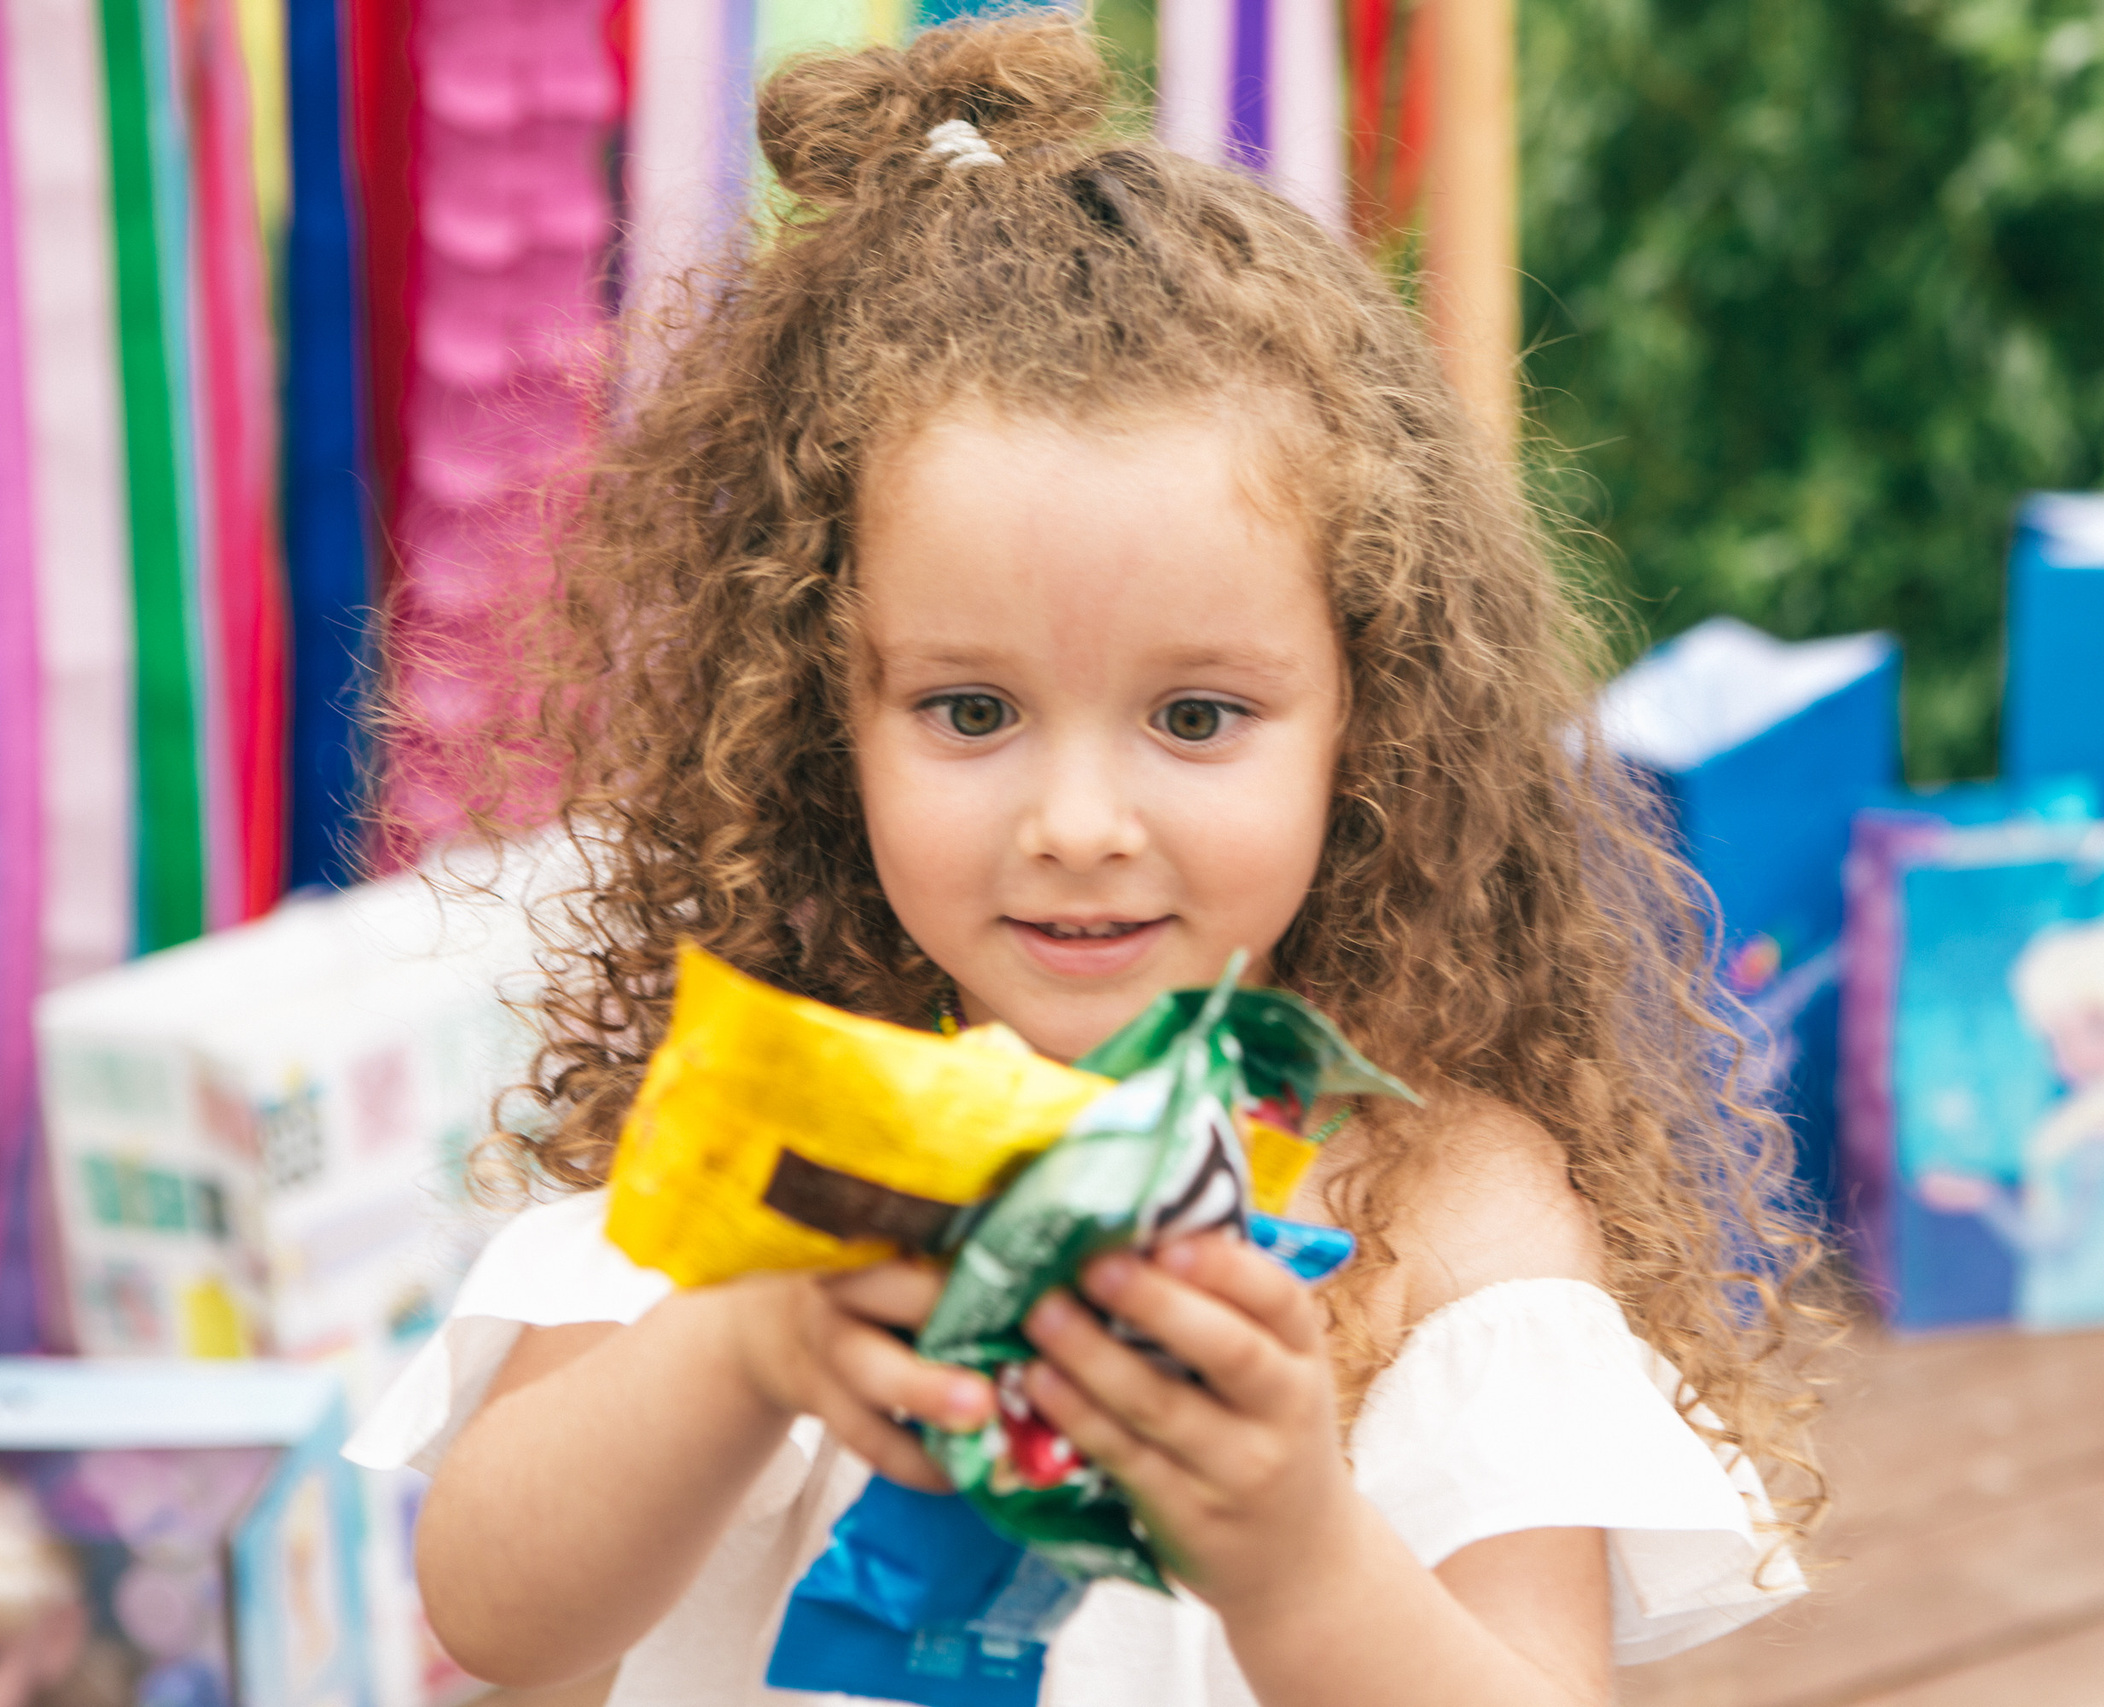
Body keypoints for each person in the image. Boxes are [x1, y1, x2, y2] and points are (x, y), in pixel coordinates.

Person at [346, 18, 1827, 1707]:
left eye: (1195, 716)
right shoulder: (784, 1123)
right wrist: (746, 1337)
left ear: (1368, 715)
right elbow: (496, 1611)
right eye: (971, 708)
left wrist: (1287, 1546)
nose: (1076, 821)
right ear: (832, 713)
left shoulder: (1435, 1205)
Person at [1916, 916, 2104, 1329]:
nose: (2054, 1054)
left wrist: (1982, 1197)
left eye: (2063, 1036)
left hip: (2082, 1313)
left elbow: (2055, 1241)